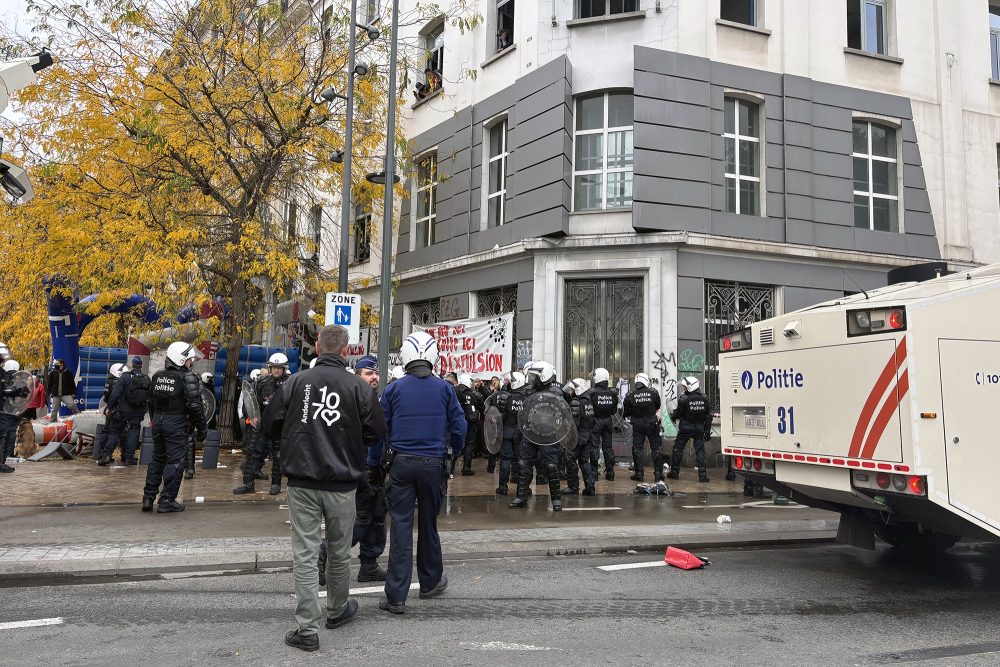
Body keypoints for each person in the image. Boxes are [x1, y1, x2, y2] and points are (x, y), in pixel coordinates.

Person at [263, 325, 385, 652]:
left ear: (317, 348)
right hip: (342, 482)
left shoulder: (296, 382)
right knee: (339, 550)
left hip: (302, 480)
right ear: (346, 351)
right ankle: (337, 609)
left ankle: (307, 628)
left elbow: (270, 424)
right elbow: (376, 431)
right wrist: (350, 440)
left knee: (305, 553)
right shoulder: (359, 388)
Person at [378, 331, 466, 615]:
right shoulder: (445, 389)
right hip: (433, 464)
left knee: (401, 527)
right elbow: (460, 427)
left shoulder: (393, 389)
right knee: (429, 524)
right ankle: (430, 582)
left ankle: (396, 596)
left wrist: (377, 462)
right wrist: (454, 452)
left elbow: (379, 427)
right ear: (433, 357)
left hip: (401, 464)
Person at [318, 354, 389, 585]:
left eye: (376, 373)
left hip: (375, 468)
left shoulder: (375, 398)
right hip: (360, 467)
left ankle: (369, 565)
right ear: (358, 376)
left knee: (376, 518)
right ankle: (324, 552)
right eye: (369, 373)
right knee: (362, 519)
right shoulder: (354, 399)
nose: (374, 377)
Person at [141, 342, 207, 512]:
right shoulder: (187, 377)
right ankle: (167, 500)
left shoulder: (157, 376)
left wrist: (155, 419)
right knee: (175, 462)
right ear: (181, 359)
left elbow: (150, 401)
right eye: (189, 359)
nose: (191, 362)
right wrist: (203, 429)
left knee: (157, 459)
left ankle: (148, 498)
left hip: (158, 421)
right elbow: (196, 406)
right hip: (176, 423)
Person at [509, 361, 566, 512]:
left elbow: (562, 413)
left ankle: (556, 499)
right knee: (524, 464)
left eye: (535, 376)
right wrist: (520, 431)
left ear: (544, 376)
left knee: (552, 466)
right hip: (530, 433)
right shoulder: (529, 391)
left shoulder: (556, 392)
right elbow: (524, 410)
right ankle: (521, 496)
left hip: (548, 435)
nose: (532, 379)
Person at [234, 353, 290, 496]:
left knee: (277, 456)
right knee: (252, 453)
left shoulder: (290, 384)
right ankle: (248, 484)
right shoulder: (262, 382)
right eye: (274, 367)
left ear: (284, 368)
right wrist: (251, 416)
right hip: (262, 425)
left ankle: (276, 484)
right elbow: (251, 401)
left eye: (279, 368)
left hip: (280, 426)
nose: (276, 370)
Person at [668, 376, 711, 483]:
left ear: (691, 387)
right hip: (699, 429)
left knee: (678, 448)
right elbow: (708, 417)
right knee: (700, 451)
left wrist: (673, 415)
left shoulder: (684, 398)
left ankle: (674, 472)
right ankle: (703, 475)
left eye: (685, 387)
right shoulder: (705, 398)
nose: (684, 389)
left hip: (686, 428)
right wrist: (707, 431)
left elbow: (678, 414)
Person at [623, 373, 663, 483]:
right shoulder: (653, 392)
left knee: (637, 448)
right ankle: (658, 475)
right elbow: (658, 405)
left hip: (638, 424)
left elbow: (625, 412)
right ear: (646, 381)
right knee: (656, 448)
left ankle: (639, 474)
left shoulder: (630, 395)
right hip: (652, 423)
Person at [492, 371, 526, 495]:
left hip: (507, 432)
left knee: (505, 459)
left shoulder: (507, 397)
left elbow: (500, 417)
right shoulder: (527, 398)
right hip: (521, 433)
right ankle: (523, 487)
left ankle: (503, 487)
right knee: (521, 460)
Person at [563, 378, 596, 496]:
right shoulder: (588, 402)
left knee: (570, 460)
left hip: (577, 436)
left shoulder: (576, 403)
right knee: (584, 461)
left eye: (572, 389)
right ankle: (590, 487)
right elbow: (593, 421)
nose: (570, 392)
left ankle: (573, 487)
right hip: (587, 435)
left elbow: (573, 424)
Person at [237, 368, 268, 483]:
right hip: (252, 421)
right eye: (262, 374)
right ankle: (248, 469)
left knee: (263, 448)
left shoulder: (267, 387)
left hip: (264, 422)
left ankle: (255, 469)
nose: (264, 376)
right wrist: (248, 417)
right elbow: (246, 404)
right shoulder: (252, 387)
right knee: (253, 447)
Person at [97, 362, 129, 466]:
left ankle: (102, 454)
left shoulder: (109, 381)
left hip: (110, 409)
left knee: (106, 431)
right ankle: (123, 456)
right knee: (119, 432)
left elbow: (106, 396)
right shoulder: (120, 382)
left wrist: (109, 407)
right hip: (118, 410)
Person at [589, 367, 619, 481]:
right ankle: (610, 472)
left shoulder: (593, 393)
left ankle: (594, 473)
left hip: (596, 421)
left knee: (594, 447)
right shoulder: (612, 393)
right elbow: (614, 410)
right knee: (608, 448)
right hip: (608, 421)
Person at [0, 359, 29, 473]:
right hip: (7, 412)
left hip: (8, 411)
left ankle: (3, 460)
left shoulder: (8, 378)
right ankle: (2, 462)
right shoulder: (11, 379)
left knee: (6, 434)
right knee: (5, 434)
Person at [455, 373, 483, 476]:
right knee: (469, 444)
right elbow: (481, 407)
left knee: (453, 443)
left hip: (456, 421)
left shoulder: (454, 391)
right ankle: (466, 467)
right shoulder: (471, 394)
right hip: (470, 423)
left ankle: (449, 469)